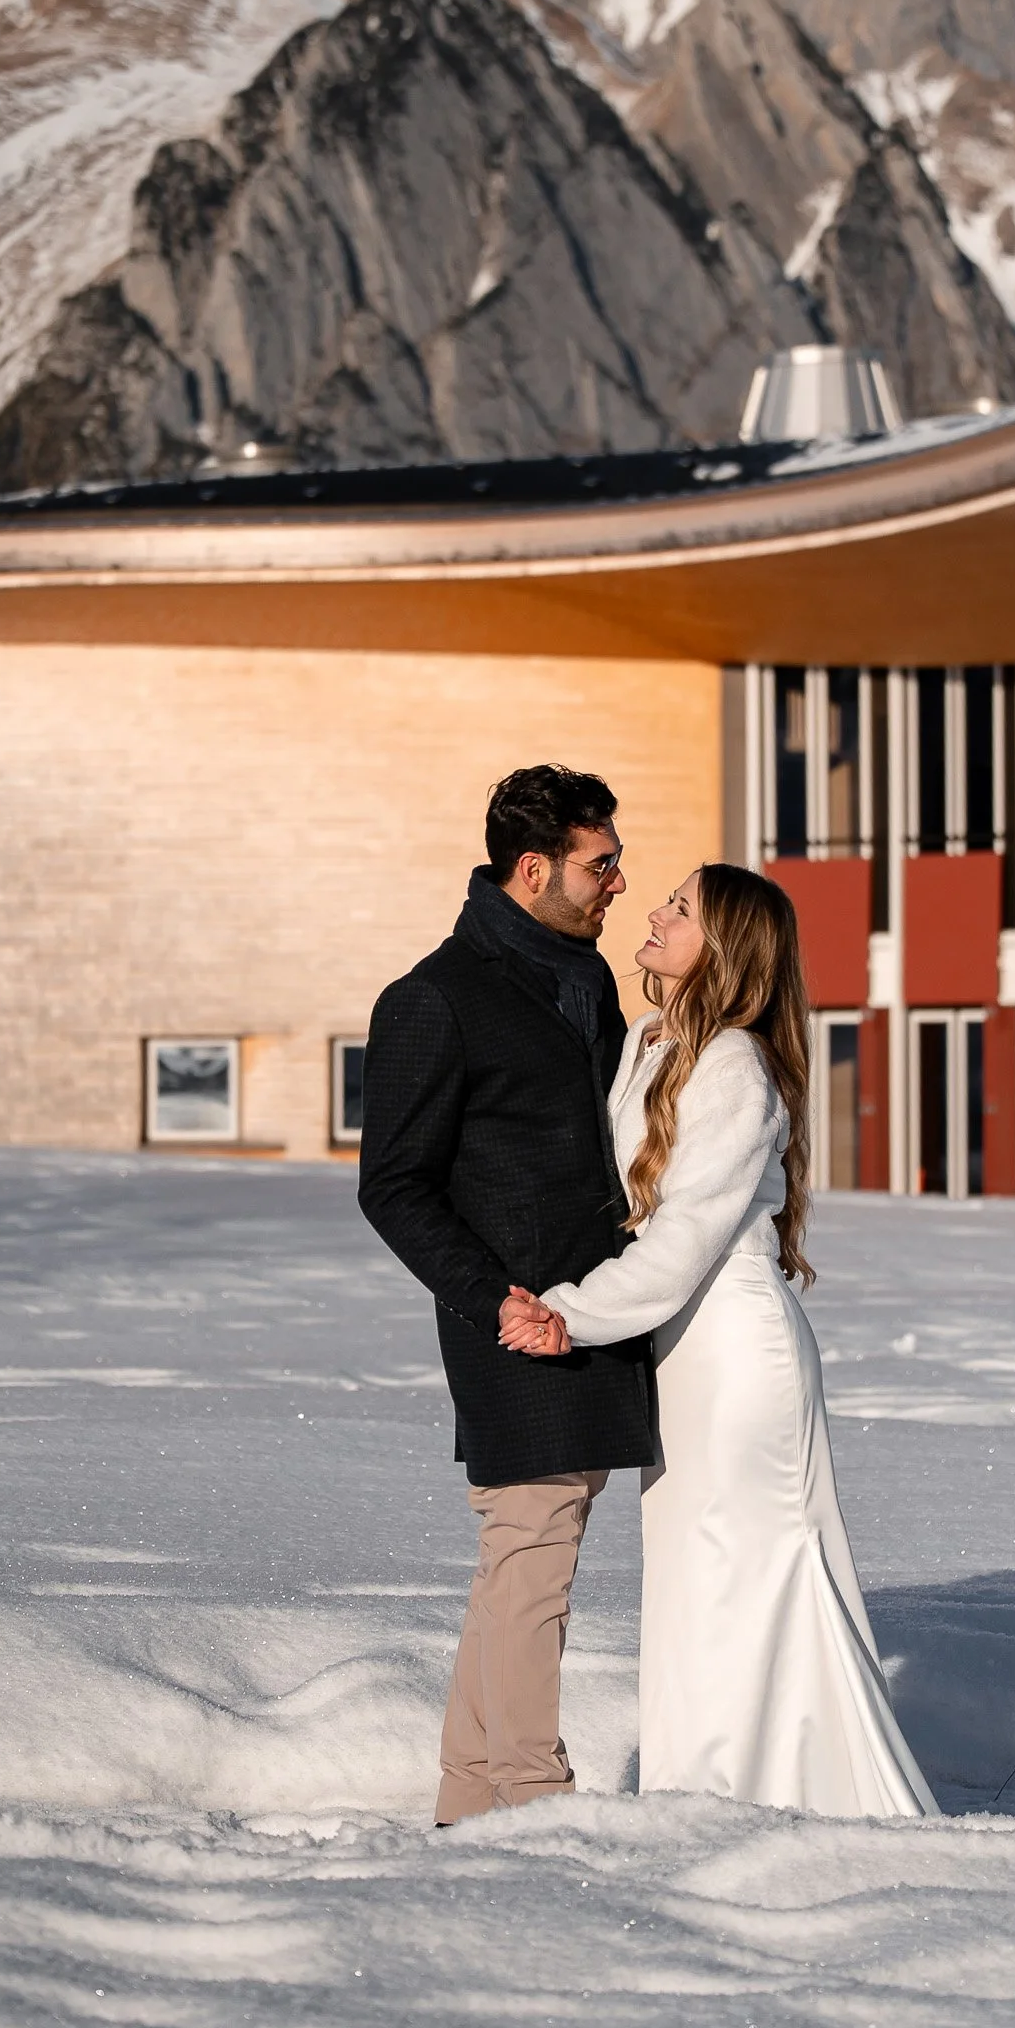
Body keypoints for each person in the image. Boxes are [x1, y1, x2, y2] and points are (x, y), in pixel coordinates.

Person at [502, 862, 936, 1819]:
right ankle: (707, 1796)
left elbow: (686, 1235)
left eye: (681, 907)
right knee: (700, 1578)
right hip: (683, 1357)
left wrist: (567, 1312)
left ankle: (792, 1800)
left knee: (753, 1574)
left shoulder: (732, 1064)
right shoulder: (657, 1043)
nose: (655, 911)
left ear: (726, 947)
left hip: (738, 1358)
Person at [357, 765, 657, 1823]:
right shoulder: (433, 998)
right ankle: (530, 1798)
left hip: (594, 1316)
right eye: (601, 863)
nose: (619, 881)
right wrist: (495, 1299)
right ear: (532, 871)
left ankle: (470, 1798)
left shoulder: (586, 981)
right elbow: (390, 1186)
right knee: (533, 1558)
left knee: (521, 1562)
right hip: (513, 1324)